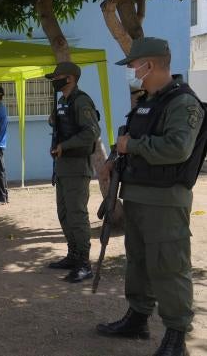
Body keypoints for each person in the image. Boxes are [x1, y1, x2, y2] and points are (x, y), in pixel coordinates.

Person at [96, 37, 205, 356]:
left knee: (169, 266)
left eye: (134, 65)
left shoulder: (183, 103)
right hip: (138, 196)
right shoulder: (148, 103)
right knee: (139, 262)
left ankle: (176, 335)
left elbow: (177, 148)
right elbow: (129, 141)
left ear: (151, 64)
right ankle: (138, 317)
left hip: (165, 200)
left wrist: (133, 147)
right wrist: (114, 158)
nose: (132, 71)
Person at [46, 61, 101, 283]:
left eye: (57, 77)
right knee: (64, 213)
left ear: (69, 78)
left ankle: (84, 263)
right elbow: (60, 122)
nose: (54, 81)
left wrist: (65, 145)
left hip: (77, 167)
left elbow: (92, 131)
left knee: (77, 215)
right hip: (63, 167)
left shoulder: (82, 101)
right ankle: (73, 255)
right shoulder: (63, 101)